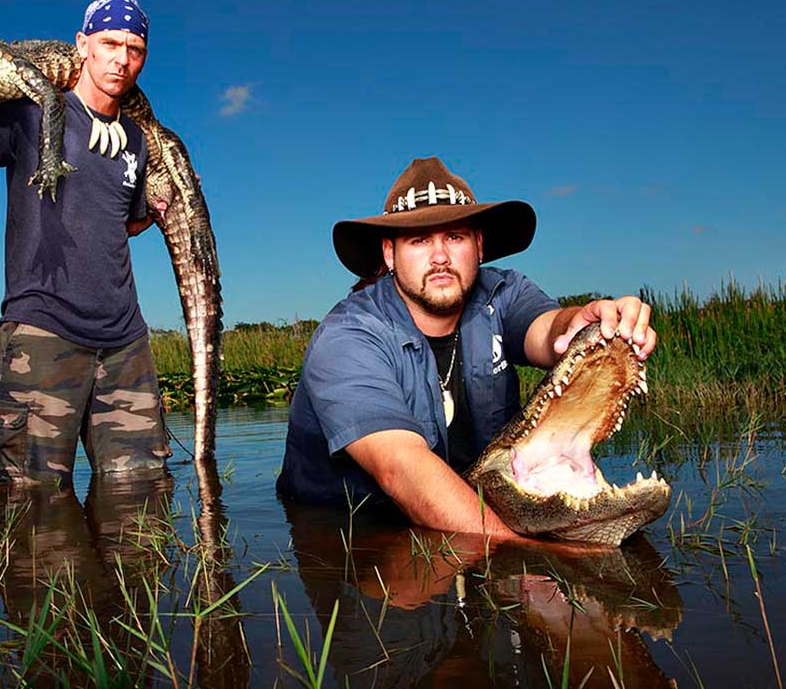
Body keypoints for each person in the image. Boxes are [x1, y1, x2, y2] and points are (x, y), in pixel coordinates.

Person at [276, 157, 656, 538]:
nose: (440, 256)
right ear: (389, 254)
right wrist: (535, 553)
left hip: (463, 506)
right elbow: (401, 470)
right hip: (349, 528)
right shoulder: (347, 335)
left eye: (454, 236)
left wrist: (577, 326)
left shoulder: (503, 292)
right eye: (419, 240)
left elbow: (547, 329)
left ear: (478, 245)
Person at [0, 0, 171, 485]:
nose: (121, 59)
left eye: (134, 49)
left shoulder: (134, 138)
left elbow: (126, 224)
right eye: (109, 43)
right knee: (29, 499)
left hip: (125, 342)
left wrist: (158, 209)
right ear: (83, 45)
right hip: (43, 334)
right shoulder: (27, 115)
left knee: (143, 495)